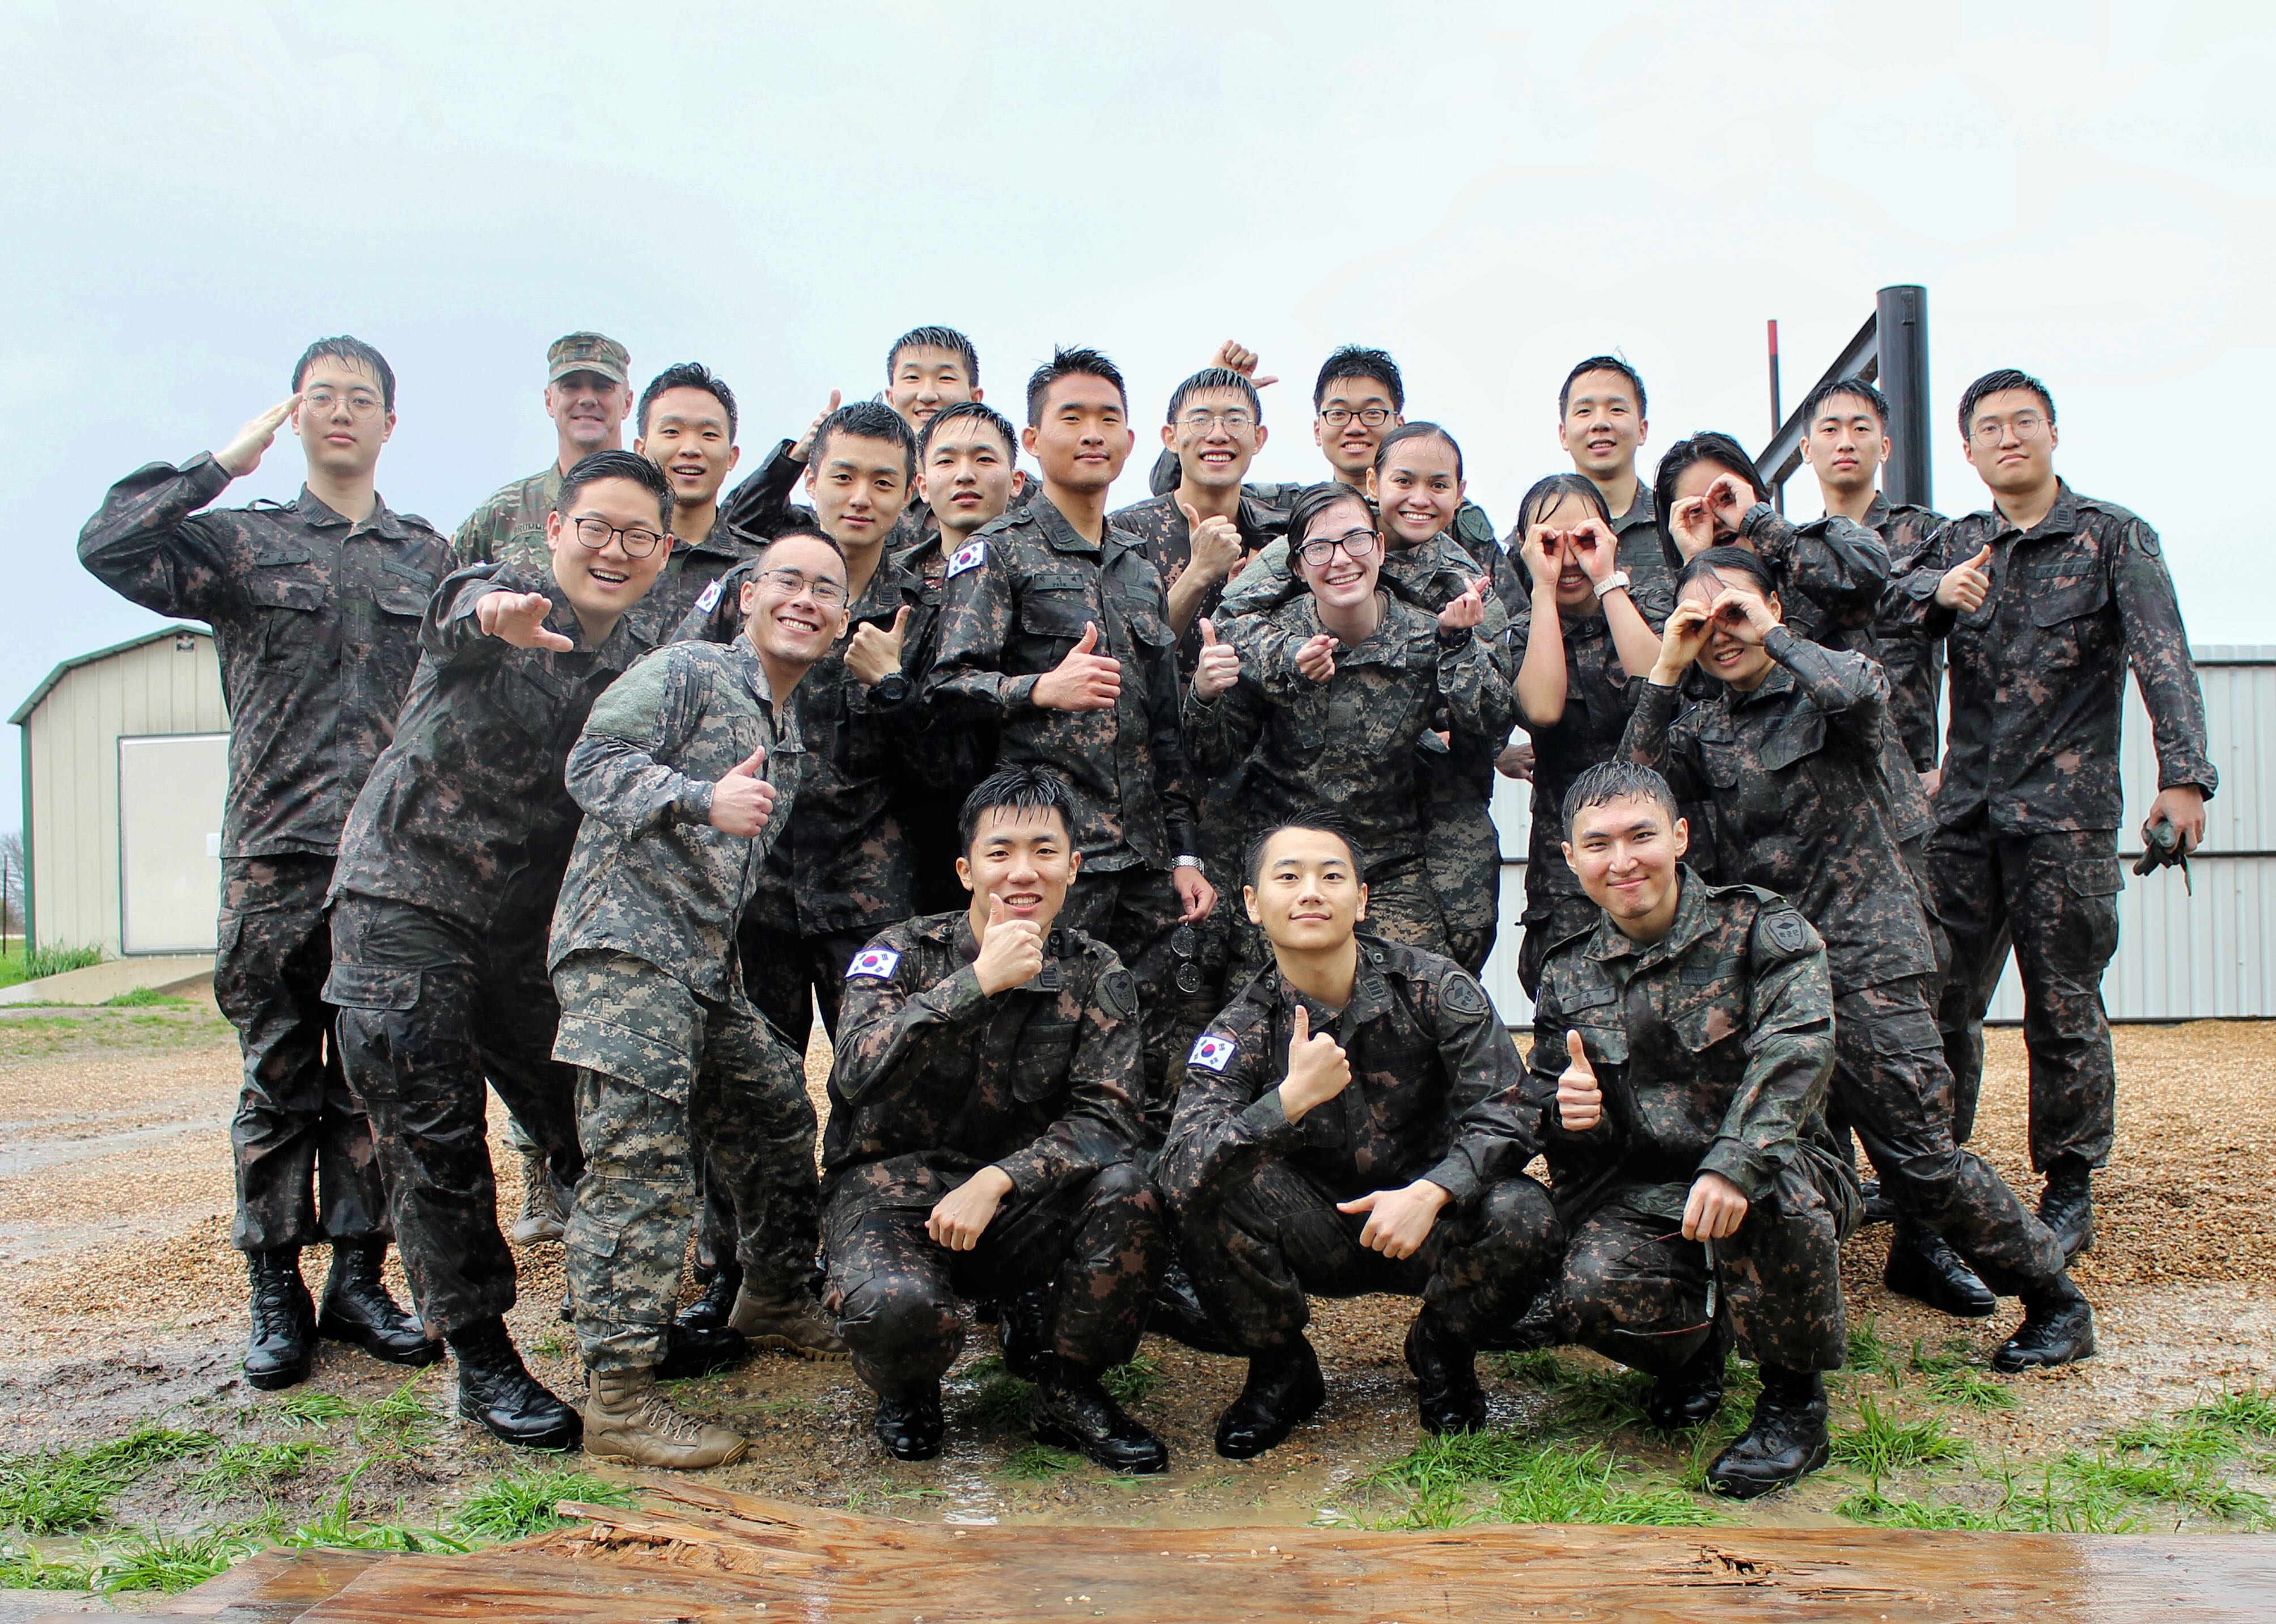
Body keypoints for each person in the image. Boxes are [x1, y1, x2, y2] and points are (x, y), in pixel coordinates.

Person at [78, 336, 445, 1392]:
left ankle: (360, 1283)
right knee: (279, 1077)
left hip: (381, 861)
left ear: (389, 423)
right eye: (321, 396)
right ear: (295, 415)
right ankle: (276, 1291)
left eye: (362, 398)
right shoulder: (243, 542)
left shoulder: (425, 559)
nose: (342, 412)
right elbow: (109, 545)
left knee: (371, 1079)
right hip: (273, 855)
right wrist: (219, 465)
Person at [1626, 549, 2095, 1367]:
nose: (1721, 633)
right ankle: (1760, 1340)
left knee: (1919, 1160)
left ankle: (2056, 1299)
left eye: (1736, 610)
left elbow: (1856, 694)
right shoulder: (1703, 726)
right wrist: (1667, 666)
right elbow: (1630, 793)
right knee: (1764, 1153)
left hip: (1865, 961)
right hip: (1771, 974)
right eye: (1702, 621)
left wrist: (1770, 635)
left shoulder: (1829, 690)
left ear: (1775, 606)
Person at [325, 450, 674, 1450]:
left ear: (662, 551)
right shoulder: (502, 598)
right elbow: (457, 608)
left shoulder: (640, 663)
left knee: (586, 1111)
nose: (613, 550)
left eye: (637, 535)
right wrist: (492, 615)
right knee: (434, 1139)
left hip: (523, 928)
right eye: (595, 527)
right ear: (556, 528)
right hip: (407, 900)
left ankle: (619, 1322)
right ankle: (480, 1361)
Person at [1884, 369, 2217, 1257]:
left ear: (2052, 433)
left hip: (2063, 820)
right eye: (1989, 428)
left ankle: (2067, 1187)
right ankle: (1933, 1182)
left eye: (2023, 421)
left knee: (2063, 1008)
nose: (2008, 438)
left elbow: (2163, 658)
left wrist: (2183, 779)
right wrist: (1932, 599)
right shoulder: (1957, 544)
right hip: (1963, 816)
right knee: (1940, 1003)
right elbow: (1885, 616)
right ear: (1967, 451)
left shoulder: (2113, 537)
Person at [551, 528, 848, 1469]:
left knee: (773, 1110)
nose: (805, 600)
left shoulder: (786, 728)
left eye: (826, 590)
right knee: (639, 1167)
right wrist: (695, 796)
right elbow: (591, 761)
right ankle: (618, 1399)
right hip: (624, 948)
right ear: (747, 594)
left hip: (701, 969)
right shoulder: (687, 670)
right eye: (788, 581)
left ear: (841, 620)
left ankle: (774, 1294)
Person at [1160, 819, 1561, 1458]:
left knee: (1523, 1212)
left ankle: (1444, 1345)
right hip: (1313, 1228)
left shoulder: (1434, 988)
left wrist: (1435, 1190)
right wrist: (1287, 1102)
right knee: (1208, 1190)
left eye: (1331, 875)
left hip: (1429, 1223)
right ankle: (1281, 1366)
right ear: (1253, 904)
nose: (1310, 891)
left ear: (1363, 898)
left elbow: (1512, 1110)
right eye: (1288, 876)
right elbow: (1180, 1164)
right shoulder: (1240, 1027)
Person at [823, 767, 1169, 1472]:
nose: (1022, 871)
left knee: (1130, 1193)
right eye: (1000, 851)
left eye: (1045, 851)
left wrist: (999, 1180)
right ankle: (909, 1384)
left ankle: (1069, 1386)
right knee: (895, 1307)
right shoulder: (901, 952)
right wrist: (975, 983)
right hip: (893, 1198)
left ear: (1073, 866)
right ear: (966, 870)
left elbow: (1108, 1118)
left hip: (1017, 1204)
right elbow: (853, 1071)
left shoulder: (1094, 969)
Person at [1530, 761, 1854, 1499]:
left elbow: (1799, 1048)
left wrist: (1734, 1161)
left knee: (1774, 1192)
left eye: (1640, 835)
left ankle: (1794, 1405)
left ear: (1678, 837)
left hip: (1780, 1167)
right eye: (1598, 844)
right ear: (1571, 857)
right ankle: (1693, 1350)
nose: (1622, 861)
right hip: (1652, 1188)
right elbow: (1549, 1099)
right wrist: (1566, 1112)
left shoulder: (1761, 929)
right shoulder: (1566, 972)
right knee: (1588, 1291)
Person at [926, 347, 1216, 1127]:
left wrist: (1186, 852)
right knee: (1040, 1055)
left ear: (1129, 441)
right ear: (1032, 439)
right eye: (1072, 418)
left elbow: (1164, 726)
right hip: (1054, 861)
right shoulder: (995, 552)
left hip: (1145, 863)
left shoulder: (1139, 567)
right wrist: (1038, 689)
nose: (1093, 434)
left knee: (1159, 1053)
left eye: (1108, 419)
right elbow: (945, 690)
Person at [683, 403, 929, 1061]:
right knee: (750, 1086)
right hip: (752, 884)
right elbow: (675, 690)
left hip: (869, 894)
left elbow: (945, 762)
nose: (860, 497)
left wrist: (894, 688)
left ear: (911, 491)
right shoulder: (750, 589)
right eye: (843, 476)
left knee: (881, 1078)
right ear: (812, 480)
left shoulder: (923, 608)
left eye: (883, 481)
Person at [1221, 424, 1514, 974]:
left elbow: (1492, 704)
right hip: (1294, 804)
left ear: (1460, 492)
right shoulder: (1326, 530)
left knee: (1448, 945)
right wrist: (1290, 658)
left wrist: (1456, 646)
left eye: (1438, 485)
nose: (1420, 498)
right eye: (1405, 481)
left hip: (1406, 796)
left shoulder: (1463, 580)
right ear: (1376, 483)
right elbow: (1231, 617)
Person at [1503, 474, 1669, 996]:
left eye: (1584, 537)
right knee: (1570, 989)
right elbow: (1542, 710)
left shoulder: (1650, 604)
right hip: (1568, 854)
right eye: (1551, 541)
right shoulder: (1520, 629)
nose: (1569, 556)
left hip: (1655, 838)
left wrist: (1606, 580)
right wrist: (1543, 589)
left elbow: (1659, 684)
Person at [900, 400, 1028, 915]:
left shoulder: (1050, 572)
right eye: (947, 460)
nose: (965, 475)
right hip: (913, 824)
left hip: (1022, 817)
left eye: (983, 459)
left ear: (1017, 481)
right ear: (921, 484)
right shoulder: (894, 585)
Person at [1796, 376, 1947, 785]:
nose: (1846, 443)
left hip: (1911, 777)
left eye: (1861, 428)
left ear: (1884, 447)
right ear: (1806, 449)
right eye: (1830, 430)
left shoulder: (1927, 534)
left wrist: (1954, 768)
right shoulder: (1798, 553)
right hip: (1819, 779)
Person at [720, 325, 984, 545]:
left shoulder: (993, 489)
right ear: (891, 397)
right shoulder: (841, 508)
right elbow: (739, 530)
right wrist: (796, 457)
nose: (927, 394)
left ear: (975, 397)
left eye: (946, 379)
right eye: (912, 378)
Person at [1111, 366, 1275, 678]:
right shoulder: (1127, 531)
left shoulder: (1275, 532)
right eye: (1200, 420)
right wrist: (1199, 572)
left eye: (1235, 420)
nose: (1218, 435)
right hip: (1162, 708)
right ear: (1170, 438)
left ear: (1258, 438)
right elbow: (1126, 656)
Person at [452, 332, 633, 571]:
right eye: (571, 387)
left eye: (603, 387)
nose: (587, 399)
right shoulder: (505, 511)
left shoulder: (654, 506)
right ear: (549, 401)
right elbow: (444, 582)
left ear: (627, 403)